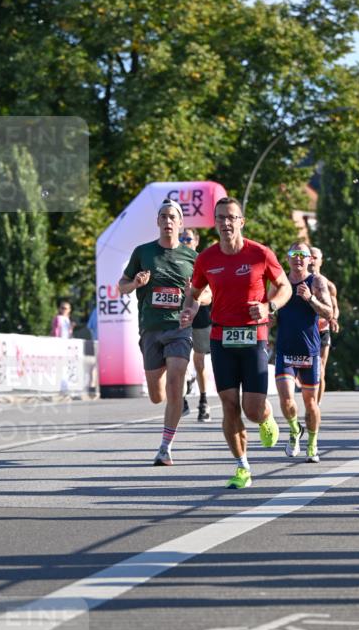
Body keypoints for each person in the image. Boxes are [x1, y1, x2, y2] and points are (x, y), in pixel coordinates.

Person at [181, 197, 292, 489]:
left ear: (241, 221)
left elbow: (285, 286)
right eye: (220, 218)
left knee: (252, 408)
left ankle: (266, 417)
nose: (225, 223)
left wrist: (270, 307)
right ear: (215, 223)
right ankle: (242, 466)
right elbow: (194, 292)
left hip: (254, 335)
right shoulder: (206, 258)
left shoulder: (260, 254)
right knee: (229, 405)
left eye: (231, 217)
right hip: (221, 336)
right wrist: (190, 309)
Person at [119, 199, 197, 466]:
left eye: (172, 217)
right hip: (151, 329)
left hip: (179, 328)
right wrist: (135, 283)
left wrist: (194, 299)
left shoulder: (192, 257)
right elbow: (121, 286)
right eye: (163, 216)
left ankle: (165, 447)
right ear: (157, 222)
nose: (167, 221)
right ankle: (175, 386)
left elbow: (207, 292)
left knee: (174, 386)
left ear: (180, 222)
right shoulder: (143, 252)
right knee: (157, 396)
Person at [275, 241, 333, 463]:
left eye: (303, 254)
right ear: (288, 258)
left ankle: (312, 444)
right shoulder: (281, 282)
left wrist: (310, 298)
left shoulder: (316, 281)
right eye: (293, 253)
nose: (298, 258)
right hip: (285, 350)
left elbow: (328, 313)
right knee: (287, 399)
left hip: (309, 351)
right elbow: (270, 309)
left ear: (310, 259)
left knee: (310, 403)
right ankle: (294, 430)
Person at [178, 227, 213, 421]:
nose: (185, 242)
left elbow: (209, 294)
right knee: (178, 359)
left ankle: (203, 400)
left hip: (200, 316)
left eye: (188, 239)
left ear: (196, 241)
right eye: (182, 239)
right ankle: (182, 398)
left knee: (199, 362)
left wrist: (196, 296)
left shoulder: (203, 261)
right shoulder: (173, 259)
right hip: (178, 316)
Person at [309, 247, 339, 403]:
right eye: (310, 256)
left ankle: (316, 405)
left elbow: (335, 307)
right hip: (305, 330)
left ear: (321, 261)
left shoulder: (328, 284)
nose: (312, 260)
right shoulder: (299, 280)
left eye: (315, 257)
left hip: (322, 329)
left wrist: (334, 319)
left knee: (320, 367)